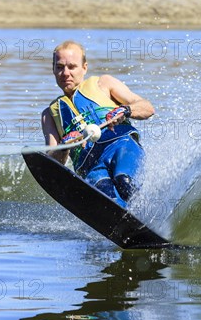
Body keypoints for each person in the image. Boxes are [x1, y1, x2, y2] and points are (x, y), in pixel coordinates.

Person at [41, 40, 155, 208]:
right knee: (110, 200)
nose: (65, 73)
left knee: (124, 181)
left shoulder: (104, 83)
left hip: (121, 146)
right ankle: (124, 224)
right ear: (53, 70)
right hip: (91, 167)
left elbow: (148, 108)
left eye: (72, 67)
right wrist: (64, 146)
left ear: (84, 68)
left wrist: (125, 110)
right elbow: (53, 165)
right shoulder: (49, 114)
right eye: (59, 67)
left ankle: (149, 213)